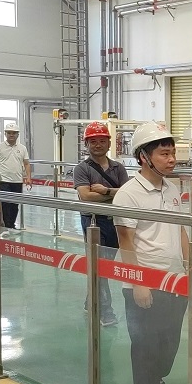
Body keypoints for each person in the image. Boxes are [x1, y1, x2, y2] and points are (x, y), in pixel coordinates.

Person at [113, 122, 189, 384]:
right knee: (146, 343)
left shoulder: (172, 189)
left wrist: (189, 269)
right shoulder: (129, 194)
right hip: (145, 282)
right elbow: (126, 241)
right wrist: (138, 282)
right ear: (144, 157)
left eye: (173, 153)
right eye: (164, 154)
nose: (172, 159)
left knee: (168, 343)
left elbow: (181, 231)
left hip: (174, 280)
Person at [73, 121, 130, 327]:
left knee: (104, 266)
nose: (98, 145)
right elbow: (86, 196)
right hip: (93, 222)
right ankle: (106, 311)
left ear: (109, 143)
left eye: (102, 141)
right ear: (86, 144)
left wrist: (105, 191)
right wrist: (115, 194)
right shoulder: (81, 169)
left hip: (114, 221)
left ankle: (91, 300)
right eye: (93, 141)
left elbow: (127, 194)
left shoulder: (118, 168)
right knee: (100, 266)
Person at [0, 121, 31, 235]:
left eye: (14, 133)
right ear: (5, 134)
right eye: (9, 133)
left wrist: (28, 177)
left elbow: (26, 163)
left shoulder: (22, 148)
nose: (11, 135)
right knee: (5, 204)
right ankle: (6, 226)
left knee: (15, 205)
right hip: (3, 180)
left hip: (17, 181)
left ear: (17, 134)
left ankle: (12, 225)